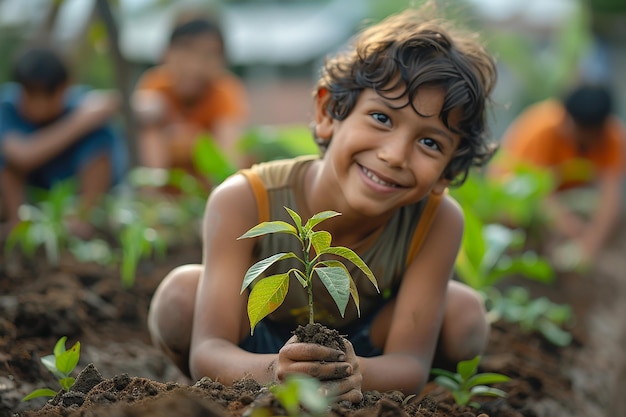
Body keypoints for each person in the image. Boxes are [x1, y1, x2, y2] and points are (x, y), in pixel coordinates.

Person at [147, 8, 498, 403]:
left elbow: (410, 363)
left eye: (430, 143)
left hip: (366, 354)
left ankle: (415, 408)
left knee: (465, 314)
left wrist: (356, 373)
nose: (396, 155)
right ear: (327, 112)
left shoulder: (438, 220)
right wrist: (272, 372)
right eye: (382, 118)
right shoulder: (245, 198)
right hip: (256, 344)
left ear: (447, 174)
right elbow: (208, 348)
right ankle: (219, 400)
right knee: (179, 297)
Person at [0, 44, 127, 238]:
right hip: (27, 190)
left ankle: (82, 219)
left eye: (47, 96)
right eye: (31, 95)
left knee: (100, 135)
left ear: (65, 88)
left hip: (70, 186)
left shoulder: (80, 101)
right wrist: (80, 121)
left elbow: (141, 106)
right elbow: (21, 156)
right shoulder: (7, 107)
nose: (39, 106)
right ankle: (18, 223)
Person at [494, 84, 626, 269]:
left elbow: (611, 198)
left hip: (565, 195)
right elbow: (538, 194)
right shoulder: (542, 129)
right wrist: (573, 229)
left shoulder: (612, 136)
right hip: (517, 196)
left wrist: (590, 244)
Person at [132, 13, 250, 181]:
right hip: (167, 190)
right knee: (149, 130)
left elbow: (229, 156)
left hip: (206, 193)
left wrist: (193, 141)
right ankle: (151, 198)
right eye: (186, 51)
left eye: (208, 55)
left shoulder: (224, 92)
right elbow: (141, 111)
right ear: (167, 53)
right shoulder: (156, 85)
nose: (194, 66)